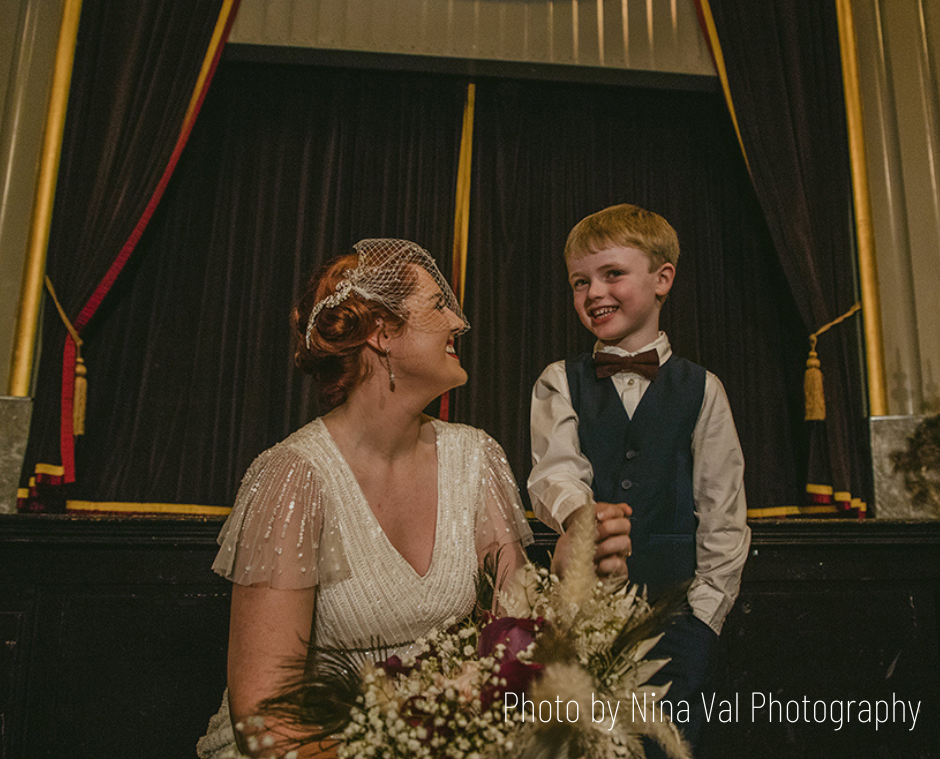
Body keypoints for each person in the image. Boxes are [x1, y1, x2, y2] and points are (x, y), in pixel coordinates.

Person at [197, 239, 632, 759]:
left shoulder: (475, 458)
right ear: (383, 334)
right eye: (437, 306)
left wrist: (566, 571)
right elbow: (266, 714)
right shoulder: (295, 478)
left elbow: (512, 645)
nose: (458, 323)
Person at [528, 204, 751, 755]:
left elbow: (723, 518)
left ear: (662, 279)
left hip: (679, 629)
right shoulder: (560, 380)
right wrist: (582, 517)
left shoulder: (704, 389)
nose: (593, 292)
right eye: (580, 282)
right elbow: (555, 471)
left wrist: (702, 621)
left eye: (612, 274)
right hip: (581, 622)